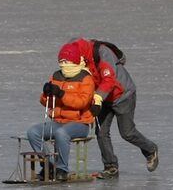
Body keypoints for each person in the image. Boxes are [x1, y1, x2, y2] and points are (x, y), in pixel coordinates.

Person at [64, 37, 158, 178]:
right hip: (103, 98)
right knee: (101, 132)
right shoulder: (79, 61)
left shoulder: (102, 53)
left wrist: (98, 98)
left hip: (123, 95)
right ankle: (111, 167)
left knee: (127, 133)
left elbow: (109, 80)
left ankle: (151, 149)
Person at [26, 41, 97, 182]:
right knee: (33, 132)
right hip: (59, 121)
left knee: (61, 133)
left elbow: (82, 102)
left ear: (75, 61)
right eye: (61, 61)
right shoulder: (56, 76)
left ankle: (62, 169)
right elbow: (45, 102)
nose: (64, 64)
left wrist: (62, 94)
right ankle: (49, 164)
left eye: (67, 61)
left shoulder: (85, 78)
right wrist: (46, 94)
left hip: (79, 123)